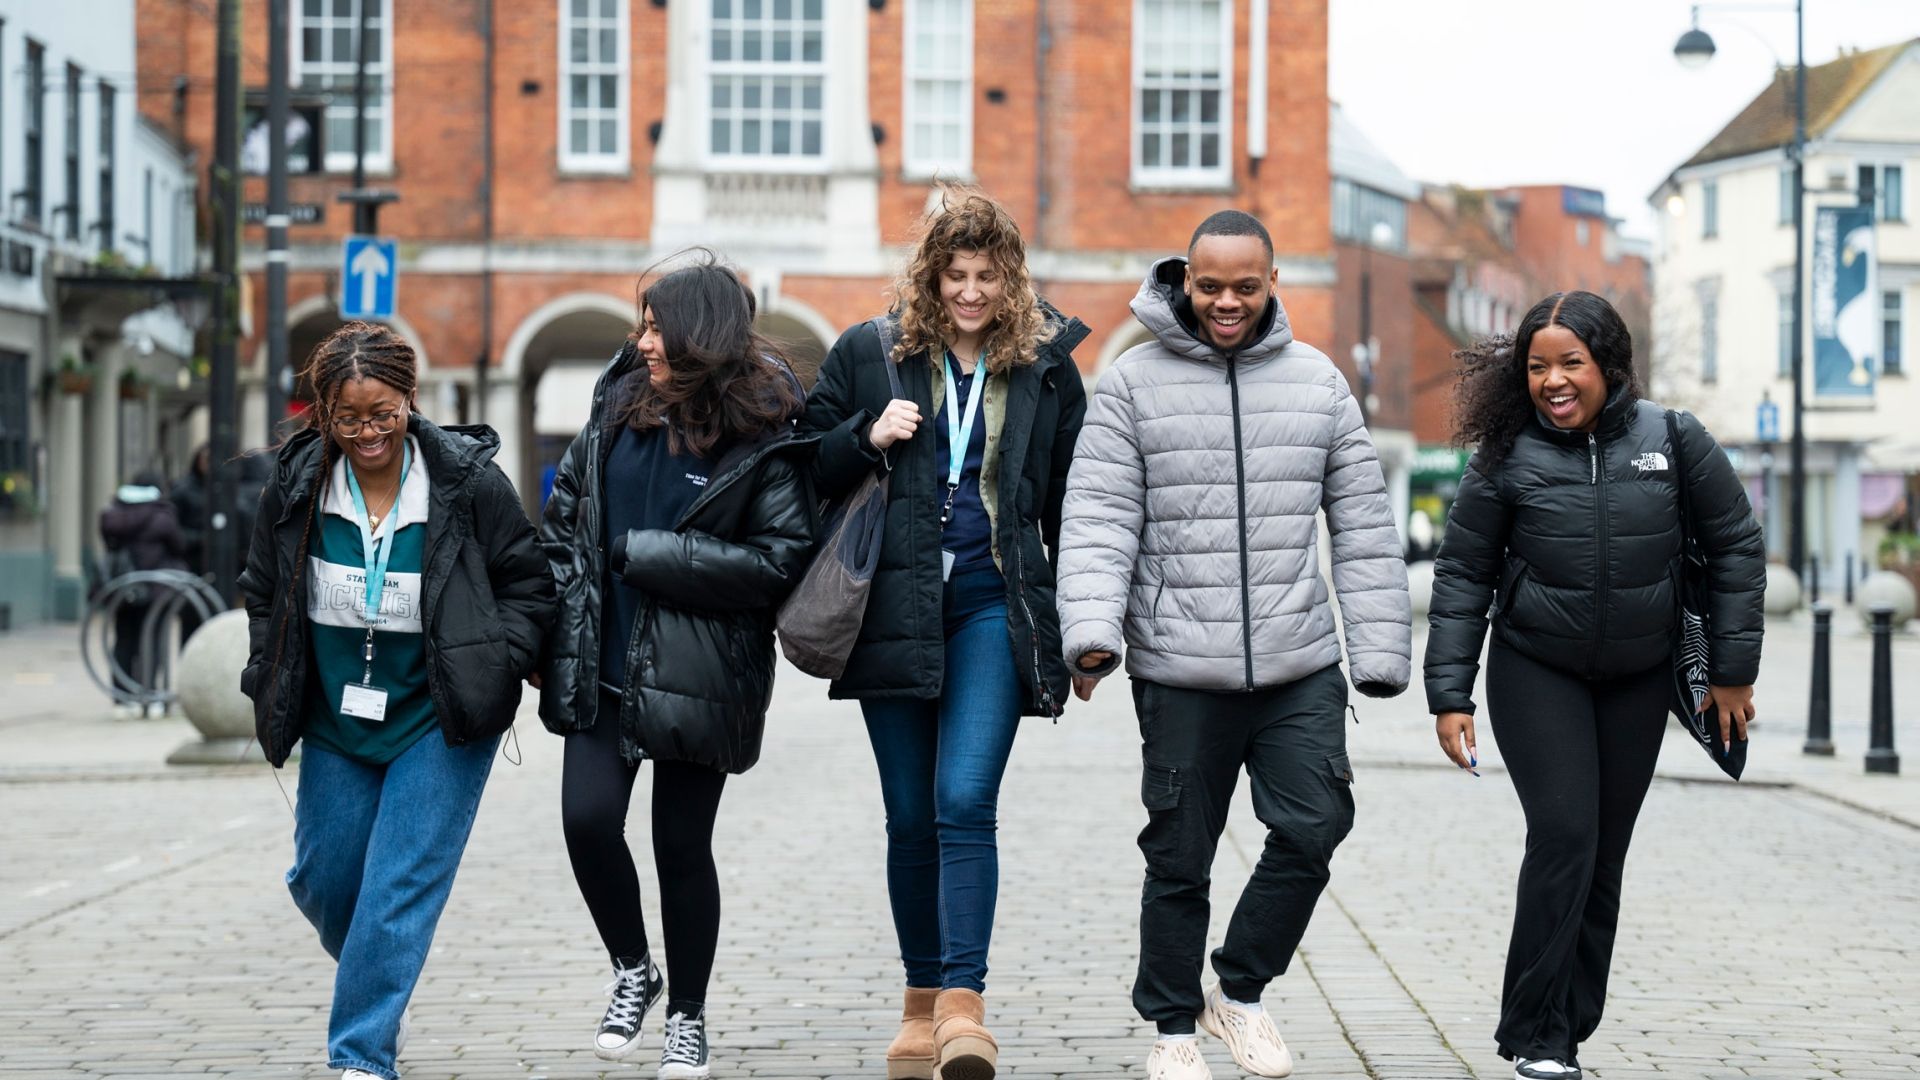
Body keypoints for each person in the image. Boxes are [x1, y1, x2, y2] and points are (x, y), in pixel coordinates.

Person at [1056, 209, 1411, 1080]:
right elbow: (1100, 518)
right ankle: (1172, 1029)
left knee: (1316, 825)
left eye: (1244, 287)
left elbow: (1363, 526)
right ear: (1185, 280)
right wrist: (1093, 633)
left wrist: (1379, 651)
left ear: (1271, 282)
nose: (1225, 302)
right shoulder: (1133, 385)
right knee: (1179, 853)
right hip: (1181, 664)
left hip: (1299, 663)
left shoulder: (1320, 383)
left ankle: (1239, 993)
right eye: (1209, 286)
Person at [1422, 291, 1764, 1080]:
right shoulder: (1505, 455)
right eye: (1537, 366)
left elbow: (1738, 550)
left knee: (1604, 855)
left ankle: (1566, 1031)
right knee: (1567, 837)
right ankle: (1535, 1032)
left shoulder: (1674, 439)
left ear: (1609, 365)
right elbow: (1463, 573)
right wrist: (1450, 692)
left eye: (1569, 363)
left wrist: (1732, 674)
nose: (1552, 381)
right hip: (1536, 670)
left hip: (1639, 679)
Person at [797, 188, 1088, 1080]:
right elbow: (806, 464)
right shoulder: (868, 352)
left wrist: (1080, 632)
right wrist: (864, 433)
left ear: (1011, 280)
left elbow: (1077, 508)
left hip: (993, 604)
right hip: (893, 603)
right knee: (910, 816)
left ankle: (965, 1006)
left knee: (964, 800)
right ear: (928, 277)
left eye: (987, 277)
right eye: (954, 276)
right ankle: (919, 1007)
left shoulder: (1045, 367)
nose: (970, 294)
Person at [237, 321, 554, 1080]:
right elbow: (260, 589)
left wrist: (496, 666)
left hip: (439, 719)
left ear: (411, 399)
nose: (368, 432)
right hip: (337, 720)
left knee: (395, 890)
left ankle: (362, 1057)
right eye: (349, 419)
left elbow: (528, 585)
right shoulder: (297, 486)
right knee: (326, 881)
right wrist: (266, 670)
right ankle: (379, 978)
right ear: (322, 413)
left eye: (383, 413)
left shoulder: (468, 484)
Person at [537, 259, 816, 1079]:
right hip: (602, 662)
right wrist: (561, 610)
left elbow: (778, 561)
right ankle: (634, 969)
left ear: (701, 333)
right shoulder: (619, 402)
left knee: (680, 848)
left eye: (658, 326)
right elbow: (567, 516)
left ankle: (688, 1015)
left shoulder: (763, 426)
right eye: (643, 323)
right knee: (587, 823)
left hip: (702, 672)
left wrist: (650, 556)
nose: (643, 340)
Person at [99, 469, 190, 705]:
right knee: (153, 641)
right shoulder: (162, 514)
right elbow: (179, 545)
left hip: (123, 587)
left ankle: (122, 697)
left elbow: (109, 543)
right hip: (155, 588)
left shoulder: (115, 512)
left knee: (124, 640)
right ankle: (150, 694)